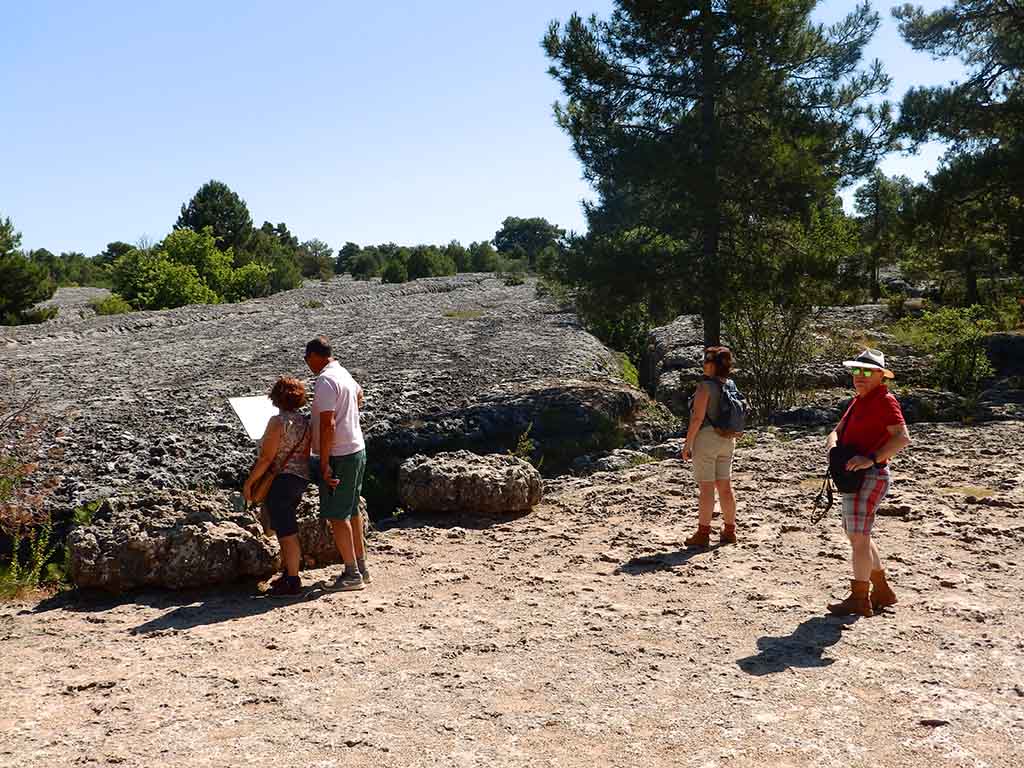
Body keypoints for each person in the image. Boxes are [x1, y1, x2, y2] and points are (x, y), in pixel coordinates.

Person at [825, 348, 911, 617]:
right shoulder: (858, 400)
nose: (859, 376)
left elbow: (902, 437)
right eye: (856, 371)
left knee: (859, 538)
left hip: (870, 476)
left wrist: (871, 459)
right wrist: (834, 452)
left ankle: (860, 598)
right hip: (853, 476)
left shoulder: (885, 401)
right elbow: (835, 433)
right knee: (857, 535)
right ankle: (882, 591)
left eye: (866, 372)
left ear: (880, 376)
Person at [304, 335, 369, 591]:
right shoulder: (343, 372)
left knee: (337, 514)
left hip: (339, 454)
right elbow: (360, 396)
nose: (307, 364)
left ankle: (352, 574)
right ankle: (361, 566)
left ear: (315, 356)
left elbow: (328, 422)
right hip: (356, 448)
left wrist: (324, 461)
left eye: (307, 359)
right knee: (352, 510)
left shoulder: (326, 380)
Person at [243, 376, 311, 599]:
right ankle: (290, 574)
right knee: (287, 527)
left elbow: (266, 458)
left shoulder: (277, 422)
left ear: (276, 398)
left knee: (286, 531)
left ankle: (292, 579)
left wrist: (250, 482)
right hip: (300, 478)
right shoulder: (304, 422)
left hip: (281, 480)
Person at [681, 346, 739, 548]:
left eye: (706, 361)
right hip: (728, 439)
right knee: (725, 486)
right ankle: (729, 530)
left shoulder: (704, 387)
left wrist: (687, 444)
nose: (703, 364)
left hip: (706, 440)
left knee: (706, 488)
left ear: (713, 365)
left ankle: (703, 533)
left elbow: (697, 418)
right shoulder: (730, 385)